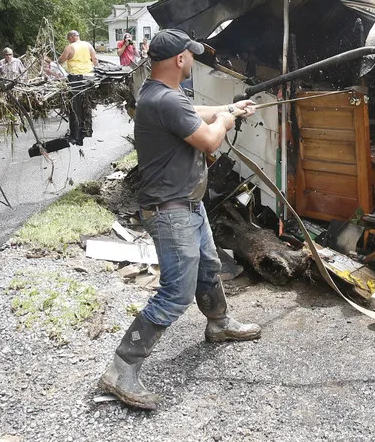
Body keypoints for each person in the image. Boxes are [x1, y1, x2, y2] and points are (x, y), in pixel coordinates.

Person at [98, 29, 259, 410]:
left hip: (187, 205)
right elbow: (209, 140)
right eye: (191, 55)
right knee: (175, 293)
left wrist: (228, 108)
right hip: (170, 211)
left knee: (208, 267)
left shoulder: (159, 94)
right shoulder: (166, 100)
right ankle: (121, 369)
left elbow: (193, 114)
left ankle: (219, 323)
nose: (193, 60)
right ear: (180, 59)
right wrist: (226, 121)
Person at [59, 30, 99, 145]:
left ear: (71, 37)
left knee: (75, 107)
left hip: (76, 79)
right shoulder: (88, 45)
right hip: (89, 77)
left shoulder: (70, 47)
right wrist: (97, 72)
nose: (69, 41)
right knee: (86, 105)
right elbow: (95, 60)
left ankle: (75, 135)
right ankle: (87, 130)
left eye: (68, 38)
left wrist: (55, 63)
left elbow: (61, 60)